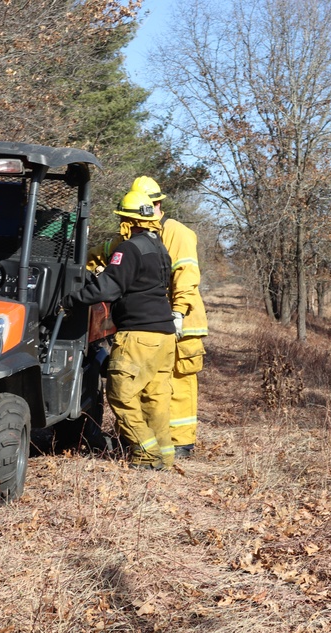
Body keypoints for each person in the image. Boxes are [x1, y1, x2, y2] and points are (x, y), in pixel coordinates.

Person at [90, 176, 208, 459]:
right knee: (147, 386)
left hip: (182, 321)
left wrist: (178, 312)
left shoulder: (176, 233)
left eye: (153, 204)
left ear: (159, 204)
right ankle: (149, 445)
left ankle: (179, 444)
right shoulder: (130, 235)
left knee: (175, 385)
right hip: (150, 323)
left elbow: (186, 277)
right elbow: (102, 255)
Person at [63, 190, 177, 469]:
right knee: (156, 399)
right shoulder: (159, 247)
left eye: (123, 219)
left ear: (129, 220)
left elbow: (109, 287)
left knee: (121, 394)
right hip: (164, 336)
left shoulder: (129, 248)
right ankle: (164, 455)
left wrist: (69, 299)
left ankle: (145, 453)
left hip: (138, 335)